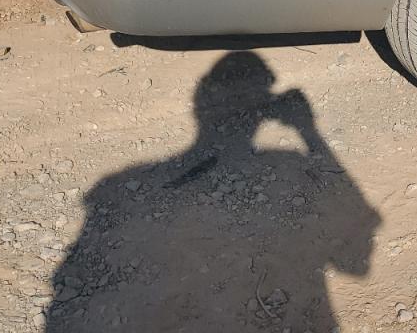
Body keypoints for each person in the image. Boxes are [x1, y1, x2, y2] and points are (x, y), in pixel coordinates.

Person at [47, 52, 380, 332]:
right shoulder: (286, 160)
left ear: (196, 105)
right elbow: (355, 265)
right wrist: (308, 130)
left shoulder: (115, 184)